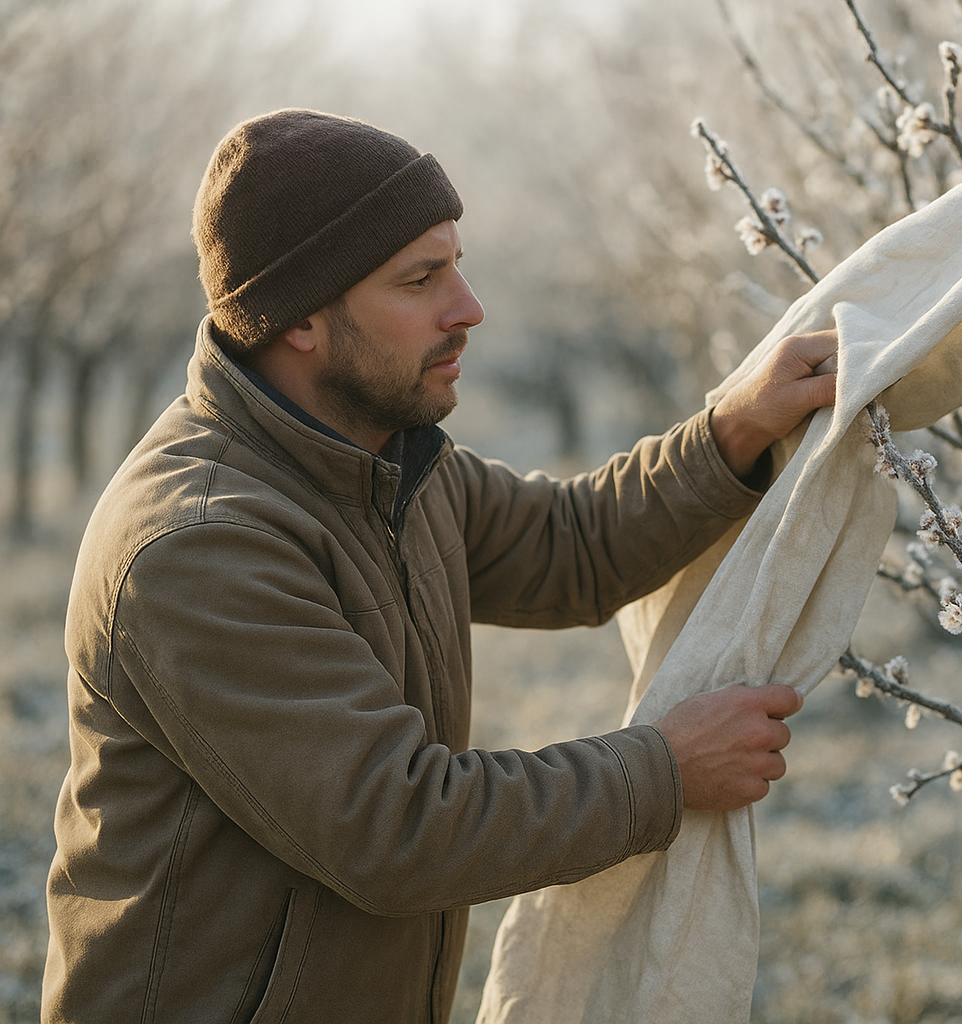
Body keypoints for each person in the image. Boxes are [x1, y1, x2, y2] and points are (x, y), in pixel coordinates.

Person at [42, 108, 836, 1023]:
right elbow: (397, 828)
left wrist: (733, 429)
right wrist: (663, 770)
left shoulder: (389, 461)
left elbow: (571, 546)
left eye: (455, 263)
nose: (468, 307)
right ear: (298, 316)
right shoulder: (199, 545)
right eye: (422, 279)